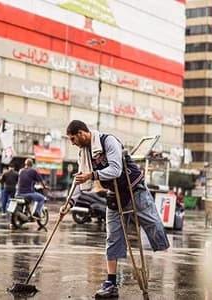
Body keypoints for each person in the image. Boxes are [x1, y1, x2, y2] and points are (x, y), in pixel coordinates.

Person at [60, 120, 170, 298]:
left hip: (134, 189)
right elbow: (81, 179)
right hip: (114, 194)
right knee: (112, 238)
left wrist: (93, 174)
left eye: (73, 138)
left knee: (154, 225)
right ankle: (111, 282)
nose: (72, 143)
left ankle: (162, 251)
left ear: (81, 133)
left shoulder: (108, 141)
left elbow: (116, 170)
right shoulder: (84, 153)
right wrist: (69, 204)